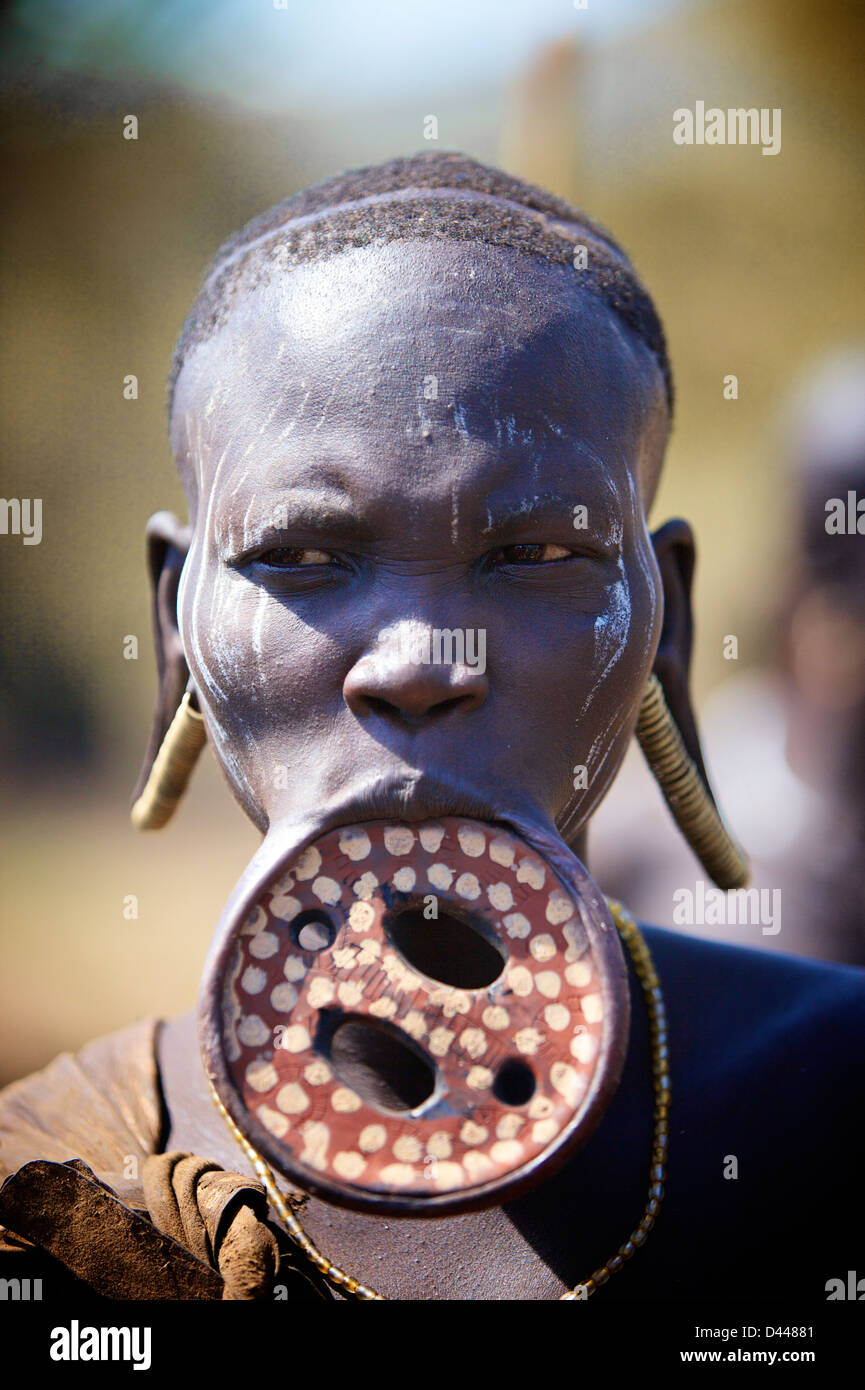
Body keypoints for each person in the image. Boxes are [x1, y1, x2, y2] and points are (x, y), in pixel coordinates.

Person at [1, 153, 862, 1302]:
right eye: (301, 558)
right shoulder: (52, 1185)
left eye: (540, 554)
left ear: (667, 621)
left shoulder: (833, 1105)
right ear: (176, 626)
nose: (420, 665)